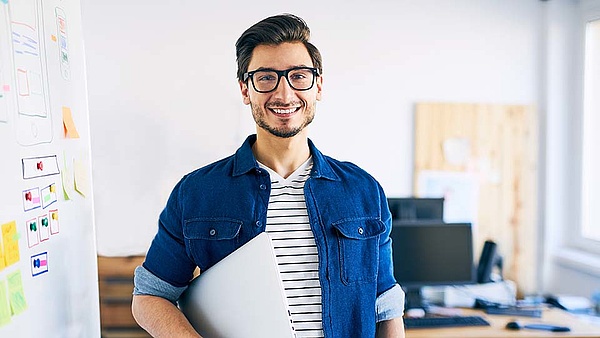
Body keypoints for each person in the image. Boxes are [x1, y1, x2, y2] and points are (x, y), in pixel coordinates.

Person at [131, 13, 405, 338]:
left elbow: (386, 307)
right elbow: (149, 296)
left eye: (298, 76)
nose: (284, 94)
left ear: (318, 85)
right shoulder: (197, 192)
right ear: (245, 90)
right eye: (266, 78)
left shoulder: (363, 190)